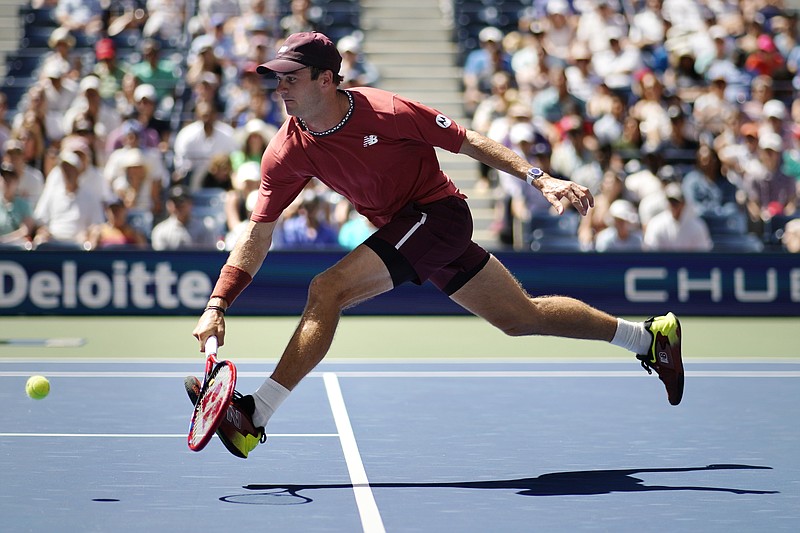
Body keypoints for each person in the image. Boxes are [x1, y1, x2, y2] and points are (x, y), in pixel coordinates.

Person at [189, 32, 685, 459]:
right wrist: (218, 302)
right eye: (277, 78)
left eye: (290, 78)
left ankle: (255, 414)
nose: (280, 89)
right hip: (405, 230)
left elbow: (469, 141)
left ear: (326, 79)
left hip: (439, 217)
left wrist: (540, 178)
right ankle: (649, 339)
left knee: (327, 289)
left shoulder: (387, 112)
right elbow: (258, 231)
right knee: (521, 318)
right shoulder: (286, 150)